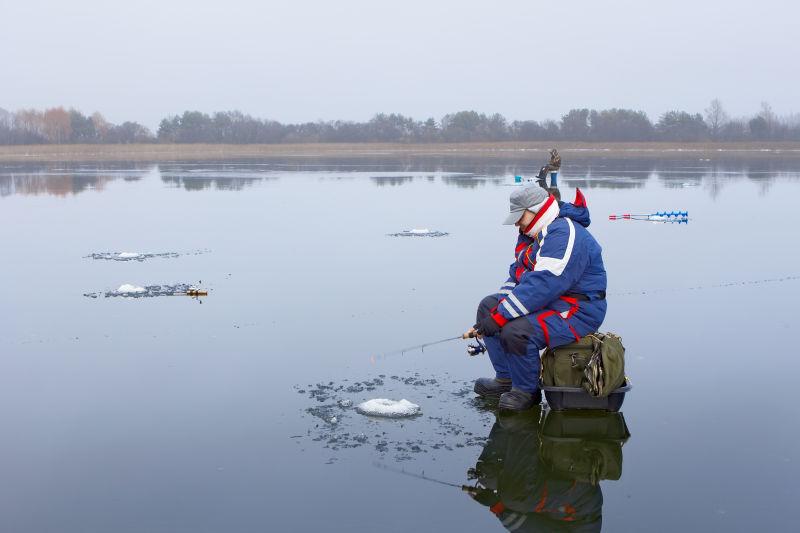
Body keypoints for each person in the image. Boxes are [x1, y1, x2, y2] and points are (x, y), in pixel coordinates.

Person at [465, 185, 607, 411]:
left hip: (578, 309)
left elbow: (544, 284)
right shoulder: (536, 234)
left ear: (536, 210)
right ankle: (506, 379)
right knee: (488, 307)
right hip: (552, 301)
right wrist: (495, 313)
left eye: (519, 216)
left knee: (517, 331)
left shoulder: (563, 233)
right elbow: (518, 277)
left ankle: (526, 392)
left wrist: (501, 318)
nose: (516, 223)